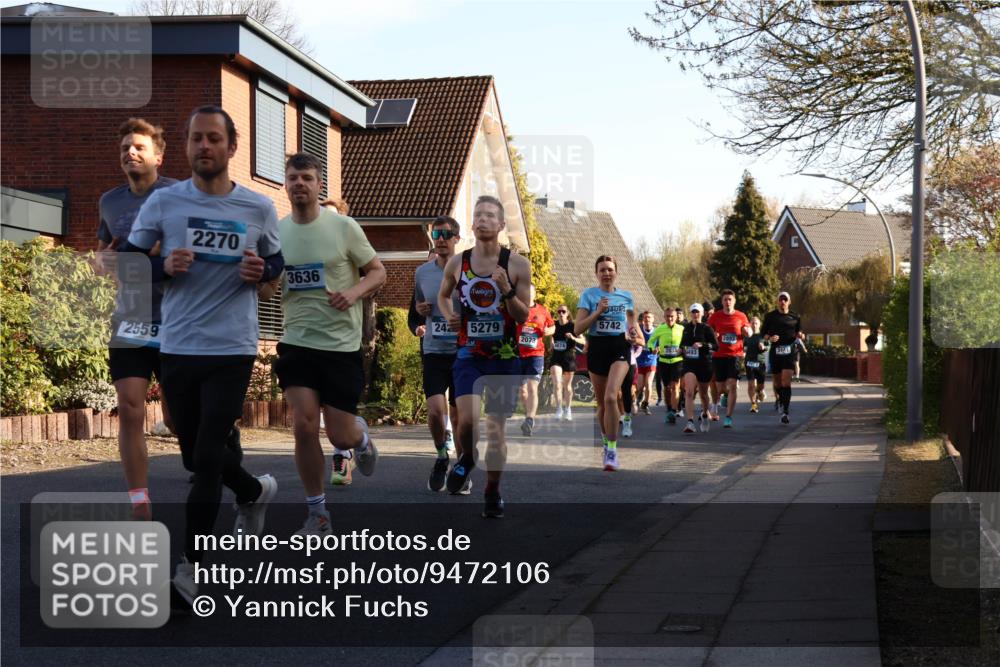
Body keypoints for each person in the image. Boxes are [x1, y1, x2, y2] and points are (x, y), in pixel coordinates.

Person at [123, 106, 284, 605]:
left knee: (209, 456)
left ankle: (188, 569)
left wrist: (264, 271)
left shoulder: (258, 207)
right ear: (187, 146)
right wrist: (163, 266)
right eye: (196, 138)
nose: (204, 146)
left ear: (232, 147)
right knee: (193, 453)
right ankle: (253, 491)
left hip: (232, 347)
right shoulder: (164, 203)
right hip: (177, 344)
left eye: (214, 138)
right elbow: (129, 262)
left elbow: (276, 260)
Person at [273, 152, 385, 535]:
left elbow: (378, 272)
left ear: (319, 185)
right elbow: (270, 288)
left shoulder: (343, 227)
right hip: (296, 343)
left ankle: (361, 438)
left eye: (306, 178)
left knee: (339, 435)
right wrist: (257, 278)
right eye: (293, 178)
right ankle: (318, 513)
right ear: (285, 185)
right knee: (304, 425)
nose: (299, 184)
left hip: (340, 346)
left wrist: (352, 293)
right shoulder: (277, 232)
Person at [96, 118, 178, 520]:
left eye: (139, 147)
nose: (130, 152)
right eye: (125, 147)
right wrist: (103, 262)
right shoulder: (110, 202)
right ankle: (139, 500)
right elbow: (102, 256)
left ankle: (222, 443)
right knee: (130, 409)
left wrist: (150, 256)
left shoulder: (178, 196)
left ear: (158, 157)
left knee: (179, 421)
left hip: (176, 319)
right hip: (130, 318)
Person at [437, 195, 531, 518]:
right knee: (465, 420)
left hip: (504, 357)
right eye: (478, 215)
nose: (483, 219)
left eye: (490, 215)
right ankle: (467, 457)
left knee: (495, 429)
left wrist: (507, 290)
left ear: (502, 224)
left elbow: (522, 316)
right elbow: (443, 295)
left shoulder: (517, 265)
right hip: (469, 354)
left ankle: (493, 490)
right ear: (472, 223)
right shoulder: (458, 263)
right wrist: (450, 315)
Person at [413, 216, 462, 492]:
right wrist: (420, 310)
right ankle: (442, 455)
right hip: (433, 350)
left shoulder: (468, 271)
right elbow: (418, 306)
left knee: (459, 417)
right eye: (436, 234)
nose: (441, 239)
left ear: (457, 238)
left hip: (462, 352)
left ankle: (462, 468)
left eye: (446, 234)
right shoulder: (422, 273)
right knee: (435, 413)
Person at [575, 255, 636, 471]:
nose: (606, 273)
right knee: (602, 404)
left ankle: (612, 451)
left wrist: (634, 333)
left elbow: (632, 324)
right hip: (598, 349)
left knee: (611, 397)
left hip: (620, 348)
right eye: (602, 270)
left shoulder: (626, 296)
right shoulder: (588, 295)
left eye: (610, 269)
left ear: (616, 272)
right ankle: (605, 441)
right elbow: (578, 328)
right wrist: (597, 312)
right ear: (596, 273)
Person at [707, 289, 753, 429]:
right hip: (719, 355)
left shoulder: (741, 316)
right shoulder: (715, 316)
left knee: (732, 385)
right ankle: (721, 399)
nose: (728, 302)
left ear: (734, 301)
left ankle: (728, 417)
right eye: (725, 299)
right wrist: (713, 335)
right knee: (720, 388)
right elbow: (707, 333)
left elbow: (749, 331)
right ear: (722, 302)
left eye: (730, 299)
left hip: (735, 355)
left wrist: (747, 332)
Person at [761, 291, 804, 425]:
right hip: (775, 352)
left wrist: (801, 335)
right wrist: (770, 338)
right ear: (777, 301)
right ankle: (780, 399)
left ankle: (785, 411)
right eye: (780, 299)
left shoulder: (795, 316)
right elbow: (763, 334)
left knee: (786, 382)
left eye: (785, 299)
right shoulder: (770, 316)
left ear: (789, 302)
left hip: (789, 351)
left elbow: (799, 331)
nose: (783, 302)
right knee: (777, 383)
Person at [518, 285, 555, 436]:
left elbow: (552, 327)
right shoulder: (517, 309)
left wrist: (547, 331)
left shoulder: (543, 311)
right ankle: (528, 414)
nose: (528, 294)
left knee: (532, 388)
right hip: (519, 354)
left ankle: (529, 420)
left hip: (536, 354)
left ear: (535, 294)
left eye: (530, 292)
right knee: (523, 392)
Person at [680, 303, 718, 434]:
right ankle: (690, 422)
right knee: (689, 392)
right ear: (690, 314)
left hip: (704, 364)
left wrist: (703, 345)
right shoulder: (686, 328)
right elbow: (682, 344)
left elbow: (716, 346)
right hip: (689, 363)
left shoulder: (707, 328)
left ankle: (705, 414)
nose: (695, 314)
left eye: (697, 312)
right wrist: (680, 350)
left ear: (702, 314)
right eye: (693, 312)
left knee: (703, 394)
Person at [647, 306, 685, 424]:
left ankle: (673, 411)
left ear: (676, 317)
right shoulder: (660, 328)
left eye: (672, 316)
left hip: (677, 360)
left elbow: (687, 341)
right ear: (664, 317)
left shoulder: (681, 329)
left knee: (675, 386)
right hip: (663, 361)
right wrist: (653, 349)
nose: (670, 319)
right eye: (667, 316)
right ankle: (669, 408)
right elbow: (650, 341)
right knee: (667, 388)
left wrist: (682, 348)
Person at [549, 304, 585, 420]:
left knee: (567, 386)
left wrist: (573, 338)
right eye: (559, 311)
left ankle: (568, 408)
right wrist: (551, 342)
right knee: (557, 383)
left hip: (568, 358)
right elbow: (549, 334)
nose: (561, 314)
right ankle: (559, 408)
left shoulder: (572, 326)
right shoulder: (554, 325)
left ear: (567, 313)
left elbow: (583, 341)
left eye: (563, 311)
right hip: (556, 358)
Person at [744, 316, 769, 413]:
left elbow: (769, 345)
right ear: (750, 324)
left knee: (760, 386)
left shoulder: (763, 335)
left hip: (760, 363)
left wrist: (764, 347)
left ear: (759, 324)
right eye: (752, 323)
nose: (754, 325)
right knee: (751, 385)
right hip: (749, 362)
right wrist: (743, 350)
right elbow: (742, 345)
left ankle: (760, 391)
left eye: (756, 323)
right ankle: (753, 404)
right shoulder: (747, 336)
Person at [635, 311, 658, 414]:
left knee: (648, 384)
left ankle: (646, 404)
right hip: (639, 361)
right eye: (645, 317)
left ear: (653, 319)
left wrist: (657, 349)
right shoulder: (638, 330)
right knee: (639, 387)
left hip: (651, 361)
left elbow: (660, 344)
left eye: (649, 317)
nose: (647, 319)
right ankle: (638, 398)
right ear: (643, 319)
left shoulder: (657, 331)